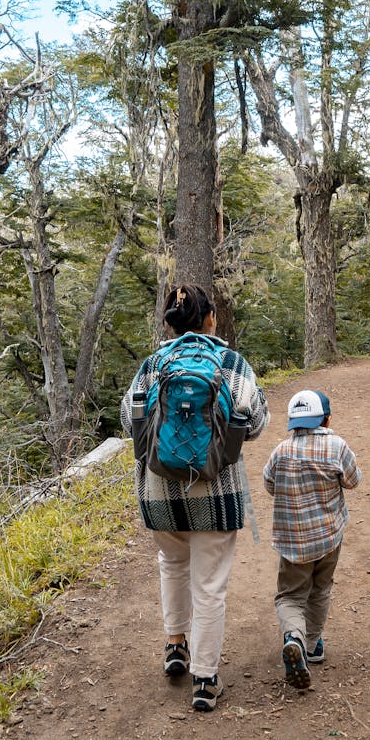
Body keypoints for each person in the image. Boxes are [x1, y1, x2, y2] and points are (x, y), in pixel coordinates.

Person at [120, 284, 269, 712]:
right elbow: (254, 424)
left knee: (171, 565)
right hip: (216, 492)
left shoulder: (153, 364)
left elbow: (130, 424)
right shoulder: (231, 362)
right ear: (210, 319)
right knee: (210, 585)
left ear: (170, 321)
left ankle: (174, 646)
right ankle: (205, 679)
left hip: (158, 492)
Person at [263, 388, 361, 689]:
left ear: (292, 423)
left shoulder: (281, 451)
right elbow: (353, 481)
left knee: (291, 595)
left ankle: (293, 636)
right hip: (329, 537)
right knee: (320, 589)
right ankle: (312, 645)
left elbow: (269, 484)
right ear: (326, 420)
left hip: (292, 541)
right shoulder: (337, 446)